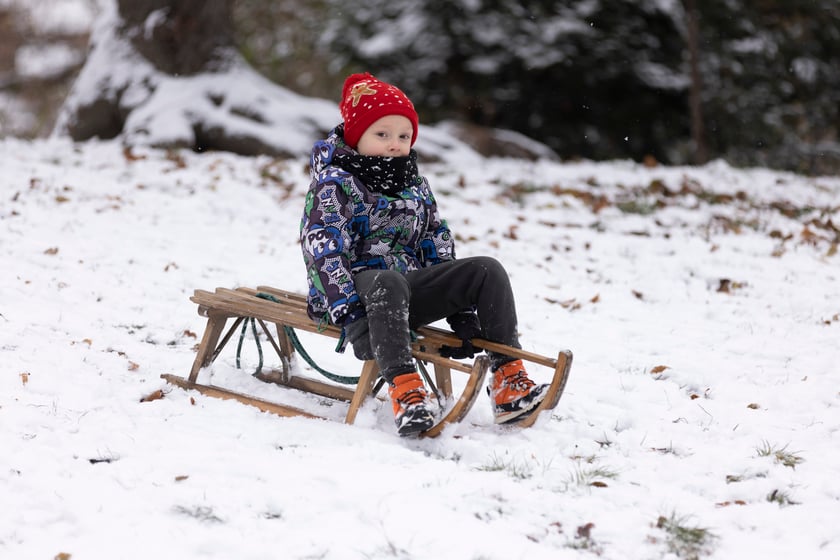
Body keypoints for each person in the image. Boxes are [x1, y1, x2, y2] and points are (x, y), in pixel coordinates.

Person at [300, 72, 548, 436]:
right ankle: (406, 390)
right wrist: (351, 314)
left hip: (404, 291)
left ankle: (508, 376)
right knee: (387, 280)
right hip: (354, 295)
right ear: (356, 136)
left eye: (403, 136)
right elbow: (323, 249)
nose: (394, 144)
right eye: (381, 134)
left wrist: (460, 312)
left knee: (486, 270)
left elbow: (435, 241)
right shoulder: (335, 184)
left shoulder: (414, 185)